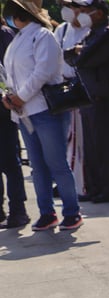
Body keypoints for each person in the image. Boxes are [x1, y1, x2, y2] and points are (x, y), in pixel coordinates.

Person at [2, 0, 82, 231]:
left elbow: (42, 72)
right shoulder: (18, 39)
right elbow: (12, 75)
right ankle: (47, 212)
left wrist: (21, 96)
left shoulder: (43, 36)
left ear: (18, 15)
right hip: (25, 112)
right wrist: (10, 97)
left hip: (44, 110)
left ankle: (71, 212)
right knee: (37, 165)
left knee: (56, 163)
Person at [63, 0, 109, 203]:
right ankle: (95, 187)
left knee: (102, 146)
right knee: (91, 147)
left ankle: (108, 189)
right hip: (88, 97)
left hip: (100, 96)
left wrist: (79, 52)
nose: (82, 14)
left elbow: (81, 59)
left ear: (98, 13)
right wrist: (78, 52)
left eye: (87, 11)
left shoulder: (108, 34)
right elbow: (70, 57)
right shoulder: (93, 34)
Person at [53, 0, 87, 199]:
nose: (68, 9)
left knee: (81, 140)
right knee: (66, 139)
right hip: (64, 89)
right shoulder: (62, 30)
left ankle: (81, 185)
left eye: (72, 5)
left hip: (82, 90)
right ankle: (68, 183)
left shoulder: (89, 29)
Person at [0, 19, 27, 228]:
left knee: (10, 161)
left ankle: (18, 210)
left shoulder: (6, 35)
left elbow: (12, 71)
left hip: (5, 107)